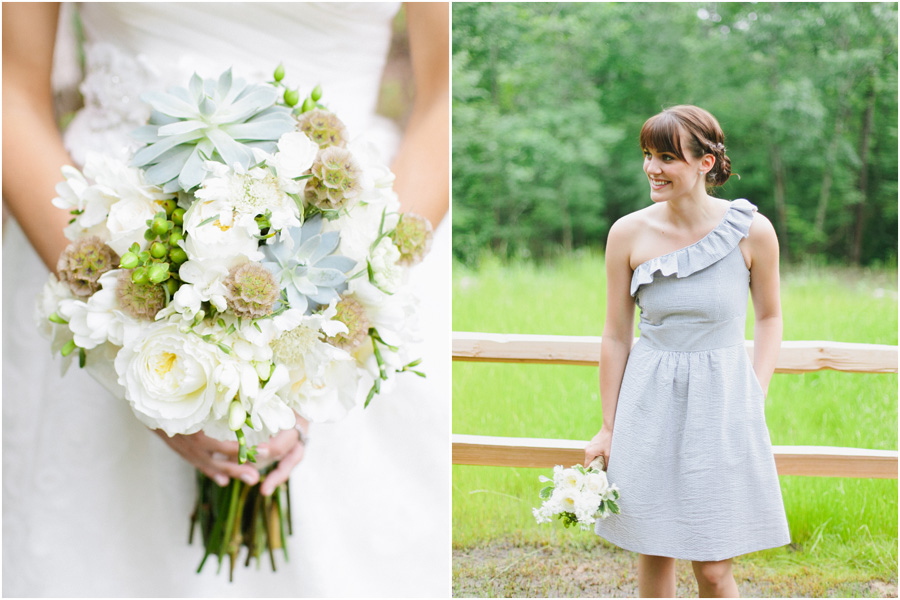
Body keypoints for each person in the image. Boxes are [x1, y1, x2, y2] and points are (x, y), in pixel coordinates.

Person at [2, 3, 449, 597]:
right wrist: (126, 331)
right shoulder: (111, 285)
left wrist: (323, 340)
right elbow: (12, 88)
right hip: (100, 232)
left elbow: (446, 95)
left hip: (346, 236)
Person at [583, 105, 790, 598]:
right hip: (648, 401)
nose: (653, 168)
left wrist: (753, 395)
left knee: (714, 568)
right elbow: (615, 333)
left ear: (705, 162)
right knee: (654, 553)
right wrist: (609, 426)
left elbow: (770, 317)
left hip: (722, 404)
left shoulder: (751, 231)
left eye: (667, 157)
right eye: (648, 155)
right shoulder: (627, 234)